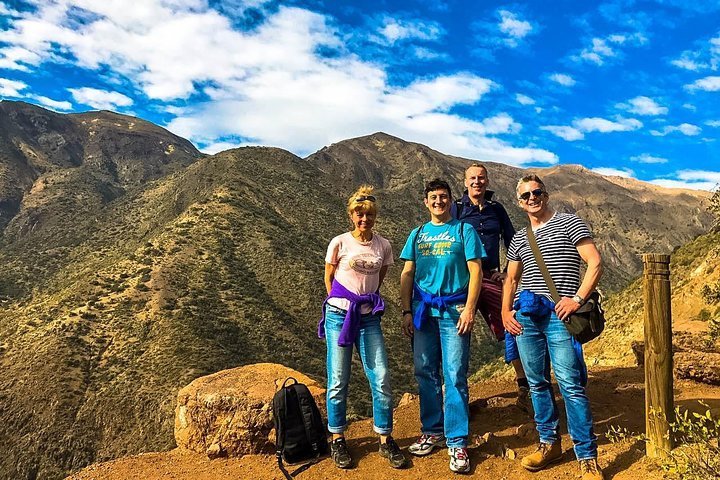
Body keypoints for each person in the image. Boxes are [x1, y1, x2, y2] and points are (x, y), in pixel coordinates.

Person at [501, 174, 604, 480]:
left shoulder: (570, 223)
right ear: (520, 202)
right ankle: (549, 443)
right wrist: (506, 311)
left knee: (570, 384)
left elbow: (595, 262)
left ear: (545, 194)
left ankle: (587, 456)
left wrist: (577, 299)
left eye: (537, 192)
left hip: (560, 317)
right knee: (536, 383)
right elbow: (511, 279)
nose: (532, 198)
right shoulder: (519, 237)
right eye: (526, 195)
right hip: (526, 318)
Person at [400, 178, 486, 474]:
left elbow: (476, 271)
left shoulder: (464, 230)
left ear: (451, 200)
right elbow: (407, 273)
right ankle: (433, 430)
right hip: (424, 311)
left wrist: (471, 309)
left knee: (454, 374)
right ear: (425, 202)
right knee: (425, 371)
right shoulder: (417, 234)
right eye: (433, 197)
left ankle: (457, 440)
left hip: (455, 310)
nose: (439, 201)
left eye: (444, 196)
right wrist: (405, 311)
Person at [319, 185, 408, 470]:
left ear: (374, 216)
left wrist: (363, 300)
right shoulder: (340, 242)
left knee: (380, 376)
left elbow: (380, 277)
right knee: (338, 378)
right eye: (358, 214)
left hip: (368, 317)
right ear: (351, 215)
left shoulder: (383, 245)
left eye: (368, 214)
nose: (363, 219)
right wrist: (341, 302)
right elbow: (329, 277)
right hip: (339, 317)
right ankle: (337, 437)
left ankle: (384, 438)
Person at [454, 163, 530, 411]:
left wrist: (507, 272)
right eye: (472, 178)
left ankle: (524, 386)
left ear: (487, 182)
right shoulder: (455, 209)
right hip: (462, 281)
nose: (477, 182)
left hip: (490, 276)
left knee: (512, 324)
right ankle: (457, 397)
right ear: (465, 182)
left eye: (481, 178)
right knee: (456, 332)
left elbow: (513, 242)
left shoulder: (497, 210)